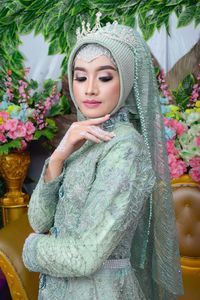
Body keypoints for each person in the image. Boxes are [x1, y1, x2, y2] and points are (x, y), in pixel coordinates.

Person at [22, 13, 183, 300]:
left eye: (105, 76)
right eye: (80, 76)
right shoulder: (81, 138)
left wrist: (31, 248)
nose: (90, 89)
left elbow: (86, 256)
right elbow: (40, 221)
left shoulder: (125, 147)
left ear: (127, 81)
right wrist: (58, 158)